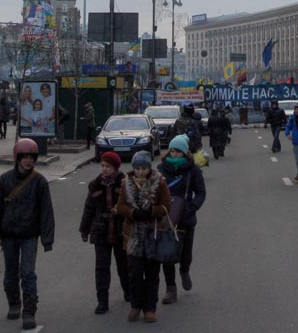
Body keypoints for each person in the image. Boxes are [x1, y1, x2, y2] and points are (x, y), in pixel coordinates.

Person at [0, 137, 55, 330]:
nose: (28, 161)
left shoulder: (39, 182)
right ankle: (14, 303)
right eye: (24, 157)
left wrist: (47, 239)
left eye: (32, 157)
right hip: (8, 235)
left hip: (29, 235)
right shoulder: (4, 180)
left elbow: (46, 212)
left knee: (28, 273)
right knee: (10, 273)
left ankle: (29, 312)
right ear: (17, 158)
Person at [117, 151, 171, 323]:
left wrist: (152, 211)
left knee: (152, 274)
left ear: (149, 168)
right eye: (138, 168)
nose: (141, 172)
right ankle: (135, 305)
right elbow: (120, 207)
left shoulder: (159, 182)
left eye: (144, 168)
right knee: (134, 273)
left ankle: (150, 308)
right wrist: (132, 213)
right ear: (133, 168)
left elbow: (166, 206)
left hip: (152, 234)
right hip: (133, 236)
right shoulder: (126, 183)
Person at [158, 135, 206, 305]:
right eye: (172, 150)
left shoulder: (193, 170)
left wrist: (191, 207)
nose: (174, 153)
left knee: (185, 253)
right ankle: (170, 289)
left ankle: (184, 271)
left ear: (185, 153)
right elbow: (154, 190)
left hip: (186, 218)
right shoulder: (161, 168)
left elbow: (201, 193)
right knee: (166, 254)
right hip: (166, 218)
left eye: (178, 151)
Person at [80, 151, 129, 315]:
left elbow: (131, 207)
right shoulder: (95, 185)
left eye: (108, 166)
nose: (104, 169)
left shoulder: (124, 184)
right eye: (102, 166)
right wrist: (84, 229)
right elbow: (89, 209)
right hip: (100, 231)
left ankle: (128, 291)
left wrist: (120, 211)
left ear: (115, 168)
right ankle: (102, 301)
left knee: (124, 265)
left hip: (120, 231)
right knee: (101, 267)